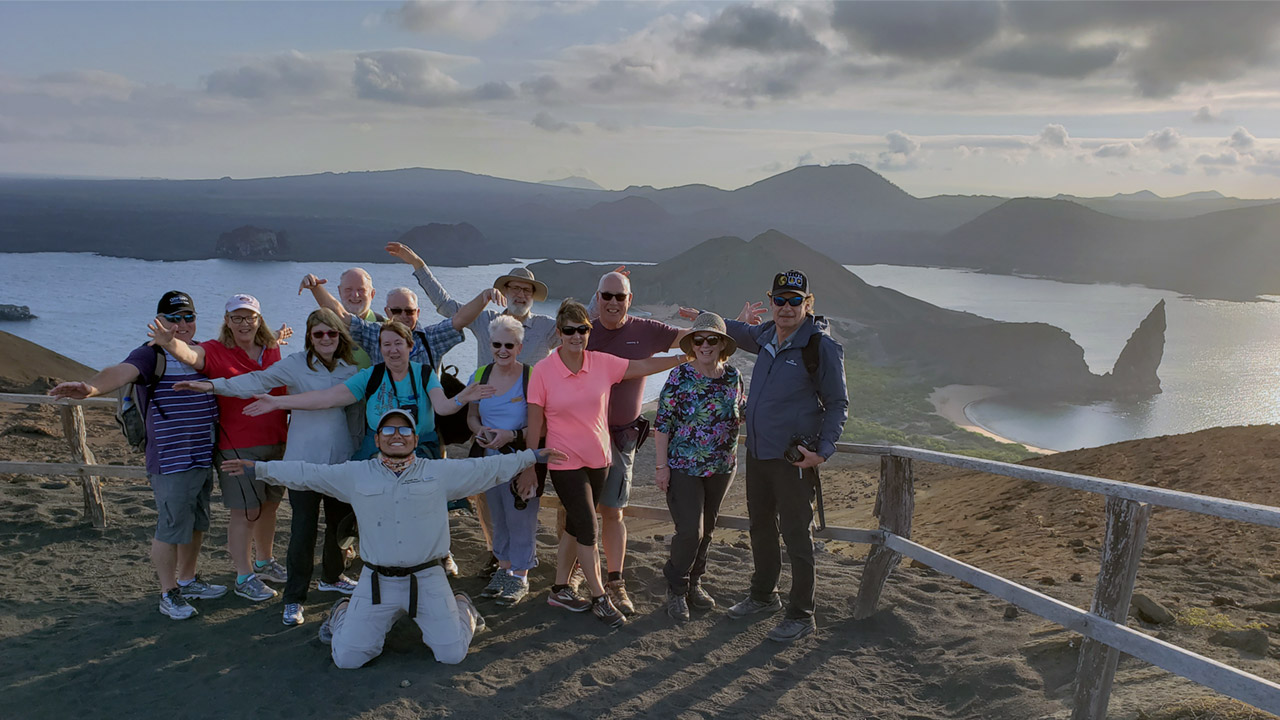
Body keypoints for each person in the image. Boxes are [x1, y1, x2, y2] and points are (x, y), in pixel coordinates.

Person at [220, 409, 567, 669]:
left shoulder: (438, 473)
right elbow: (309, 473)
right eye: (388, 429)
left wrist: (532, 456)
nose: (396, 435)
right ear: (378, 438)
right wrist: (260, 468)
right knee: (349, 658)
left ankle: (462, 605)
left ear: (415, 440)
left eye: (405, 430)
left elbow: (487, 470)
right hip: (376, 581)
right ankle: (342, 611)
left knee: (450, 654)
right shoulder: (356, 475)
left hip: (428, 578)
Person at [173, 308, 365, 626]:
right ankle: (293, 599)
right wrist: (212, 386)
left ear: (340, 336)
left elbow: (341, 403)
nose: (326, 339)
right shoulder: (294, 365)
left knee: (338, 526)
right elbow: (255, 380)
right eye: (319, 334)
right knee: (303, 529)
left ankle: (332, 577)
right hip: (302, 460)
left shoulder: (352, 368)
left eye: (332, 333)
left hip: (340, 458)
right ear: (310, 337)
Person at [49, 291, 225, 620]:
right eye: (174, 318)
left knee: (197, 522)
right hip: (171, 459)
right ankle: (168, 592)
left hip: (202, 454)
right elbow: (121, 371)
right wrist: (91, 388)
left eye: (188, 317)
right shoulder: (150, 355)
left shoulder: (199, 352)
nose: (182, 324)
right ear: (160, 321)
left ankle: (188, 580)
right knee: (171, 526)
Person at [525, 299, 684, 627]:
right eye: (568, 330)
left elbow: (641, 366)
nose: (576, 336)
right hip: (563, 460)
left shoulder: (601, 363)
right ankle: (599, 596)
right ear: (559, 332)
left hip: (600, 459)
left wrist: (684, 356)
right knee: (589, 525)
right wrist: (530, 462)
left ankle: (559, 589)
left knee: (575, 525)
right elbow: (536, 423)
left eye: (582, 329)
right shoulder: (543, 371)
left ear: (588, 331)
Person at [721, 270, 849, 643]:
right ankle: (763, 596)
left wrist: (821, 452)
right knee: (760, 527)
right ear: (772, 302)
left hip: (794, 459)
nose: (786, 308)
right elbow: (736, 331)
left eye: (796, 301)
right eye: (780, 300)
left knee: (796, 534)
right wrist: (702, 319)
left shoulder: (819, 347)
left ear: (808, 305)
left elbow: (838, 403)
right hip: (759, 453)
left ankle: (802, 613)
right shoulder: (765, 335)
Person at [153, 293, 291, 604]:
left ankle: (264, 562)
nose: (245, 324)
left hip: (277, 441)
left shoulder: (271, 349)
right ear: (227, 321)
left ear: (259, 320)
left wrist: (280, 338)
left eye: (250, 317)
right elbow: (191, 356)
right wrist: (169, 343)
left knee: (269, 507)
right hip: (237, 447)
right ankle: (244, 576)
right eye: (237, 318)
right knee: (246, 511)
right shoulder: (215, 351)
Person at [584, 271, 689, 615]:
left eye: (620, 296)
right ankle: (571, 576)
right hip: (582, 434)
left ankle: (615, 581)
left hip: (621, 435)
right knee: (577, 511)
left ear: (630, 299)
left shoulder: (648, 331)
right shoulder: (581, 330)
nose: (613, 302)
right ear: (597, 297)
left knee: (613, 512)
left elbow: (694, 339)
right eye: (607, 296)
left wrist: (738, 325)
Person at [241, 321, 492, 460]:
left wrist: (463, 397)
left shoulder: (424, 374)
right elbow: (326, 398)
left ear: (410, 346)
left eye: (398, 344)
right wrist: (278, 403)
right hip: (377, 448)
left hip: (420, 449)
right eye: (387, 345)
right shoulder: (370, 376)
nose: (393, 350)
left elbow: (443, 407)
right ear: (380, 348)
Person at [653, 313, 745, 621]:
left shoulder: (733, 376)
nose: (705, 345)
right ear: (693, 344)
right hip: (683, 466)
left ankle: (695, 582)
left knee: (708, 530)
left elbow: (741, 413)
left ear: (723, 345)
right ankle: (676, 587)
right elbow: (662, 424)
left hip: (722, 466)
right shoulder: (679, 376)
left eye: (712, 339)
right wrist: (661, 466)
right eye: (699, 340)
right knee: (691, 530)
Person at [465, 315, 543, 606]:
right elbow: (471, 415)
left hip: (521, 457)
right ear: (490, 344)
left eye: (509, 345)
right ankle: (504, 567)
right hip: (488, 458)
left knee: (521, 515)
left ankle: (521, 574)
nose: (502, 350)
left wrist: (511, 435)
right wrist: (480, 431)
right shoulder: (480, 375)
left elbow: (540, 424)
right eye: (497, 344)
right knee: (497, 515)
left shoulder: (530, 377)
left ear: (519, 347)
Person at [387, 242, 560, 365]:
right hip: (487, 408)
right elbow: (446, 306)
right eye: (515, 288)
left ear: (533, 295)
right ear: (505, 292)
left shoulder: (546, 327)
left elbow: (583, 334)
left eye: (527, 290)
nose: (521, 294)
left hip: (529, 411)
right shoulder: (485, 320)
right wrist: (418, 264)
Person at [299, 275, 488, 373]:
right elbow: (341, 315)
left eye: (409, 311)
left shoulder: (431, 338)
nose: (403, 316)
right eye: (397, 311)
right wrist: (316, 287)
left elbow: (460, 319)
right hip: (382, 424)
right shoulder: (375, 334)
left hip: (422, 426)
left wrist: (484, 297)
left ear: (418, 313)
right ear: (388, 312)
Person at [335, 268, 382, 368]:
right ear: (339, 291)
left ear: (372, 294)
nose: (355, 295)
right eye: (348, 289)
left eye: (361, 290)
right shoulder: (324, 329)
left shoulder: (387, 327)